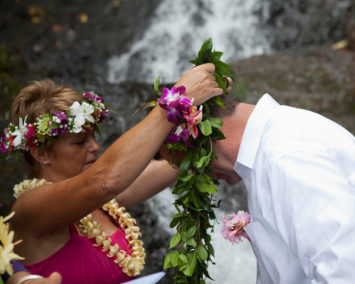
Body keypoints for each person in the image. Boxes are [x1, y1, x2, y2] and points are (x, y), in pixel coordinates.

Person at [0, 63, 222, 284]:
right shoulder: (30, 207)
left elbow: (162, 169)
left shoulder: (100, 204)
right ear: (42, 153)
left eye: (93, 137)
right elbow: (106, 181)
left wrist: (201, 141)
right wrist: (174, 101)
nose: (95, 147)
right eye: (80, 142)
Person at [164, 93, 355, 283]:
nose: (194, 175)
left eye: (186, 165)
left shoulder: (287, 157)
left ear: (197, 133)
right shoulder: (274, 148)